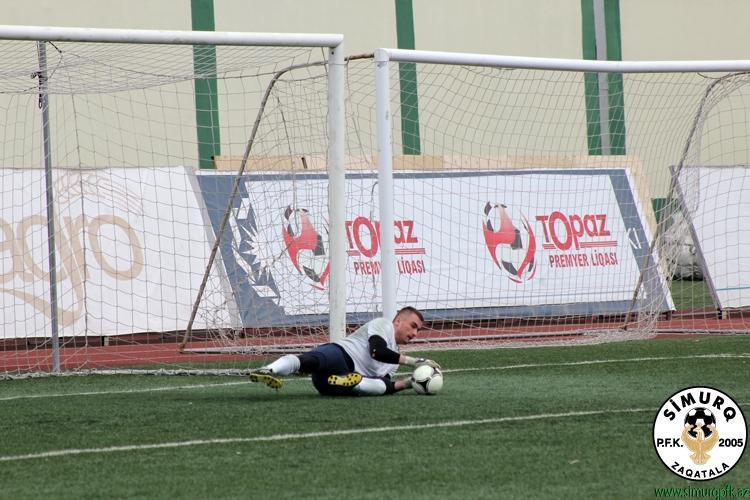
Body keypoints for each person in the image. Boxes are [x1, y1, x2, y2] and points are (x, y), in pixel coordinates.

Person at [249, 306, 440, 396]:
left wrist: (411, 383)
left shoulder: (395, 360)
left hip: (330, 386)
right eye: (413, 326)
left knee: (382, 386)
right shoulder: (383, 325)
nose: (415, 333)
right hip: (342, 354)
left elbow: (387, 385)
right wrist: (415, 361)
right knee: (311, 361)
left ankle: (353, 382)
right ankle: (269, 370)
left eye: (418, 330)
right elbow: (377, 351)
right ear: (398, 321)